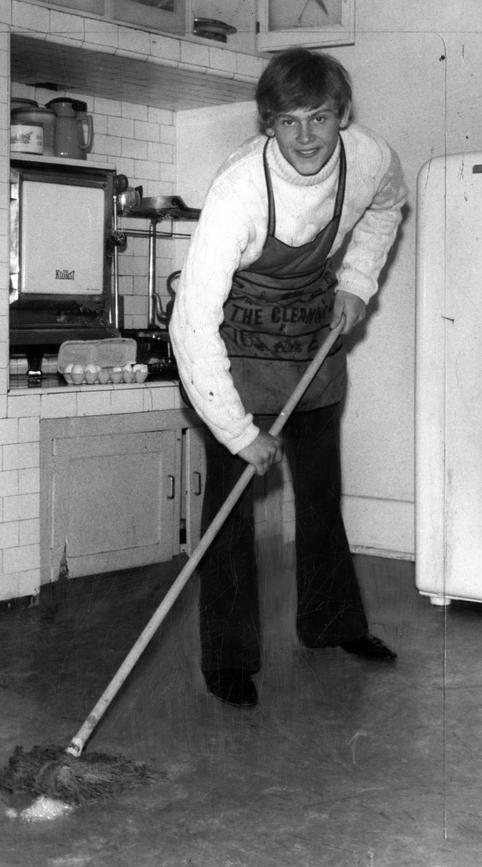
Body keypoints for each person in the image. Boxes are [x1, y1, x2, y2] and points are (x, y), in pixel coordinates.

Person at [169, 47, 407, 708]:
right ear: (268, 123)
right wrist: (239, 431)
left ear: (344, 116)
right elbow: (192, 324)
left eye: (320, 118)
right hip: (236, 341)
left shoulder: (370, 160)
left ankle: (334, 625)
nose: (305, 136)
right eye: (289, 121)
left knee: (321, 493)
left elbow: (389, 207)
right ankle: (228, 658)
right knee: (230, 511)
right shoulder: (238, 189)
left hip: (312, 332)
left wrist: (357, 282)